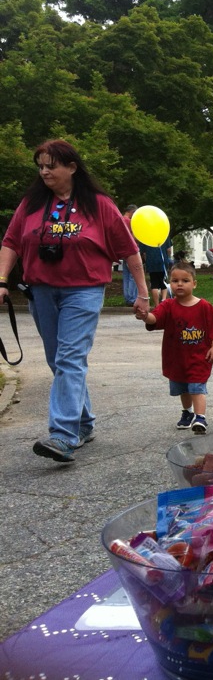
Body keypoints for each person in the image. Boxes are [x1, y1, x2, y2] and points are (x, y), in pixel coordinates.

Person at [0, 139, 150, 462]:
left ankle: (63, 435)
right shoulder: (31, 204)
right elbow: (11, 242)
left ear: (72, 167)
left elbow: (129, 250)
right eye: (40, 165)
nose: (44, 171)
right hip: (40, 290)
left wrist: (142, 293)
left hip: (84, 290)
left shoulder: (98, 204)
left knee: (69, 357)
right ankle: (84, 422)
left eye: (50, 165)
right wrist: (1, 280)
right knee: (59, 360)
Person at [135, 261, 213, 435]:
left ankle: (200, 418)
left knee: (197, 387)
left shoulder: (204, 307)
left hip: (199, 357)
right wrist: (145, 316)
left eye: (185, 280)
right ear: (170, 283)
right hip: (176, 358)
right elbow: (155, 319)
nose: (179, 284)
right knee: (183, 388)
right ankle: (187, 412)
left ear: (194, 283)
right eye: (175, 280)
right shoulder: (168, 305)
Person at [141, 233, 173, 307]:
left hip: (151, 262)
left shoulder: (146, 236)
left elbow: (144, 252)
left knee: (154, 283)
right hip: (162, 260)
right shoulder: (164, 233)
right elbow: (168, 250)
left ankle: (157, 304)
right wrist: (167, 258)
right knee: (163, 281)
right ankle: (164, 300)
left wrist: (147, 261)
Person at [121, 204, 139, 305]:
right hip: (131, 250)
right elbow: (133, 236)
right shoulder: (129, 221)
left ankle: (127, 297)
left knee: (126, 275)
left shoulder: (120, 219)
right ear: (132, 212)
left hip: (124, 251)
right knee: (133, 275)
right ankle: (132, 298)